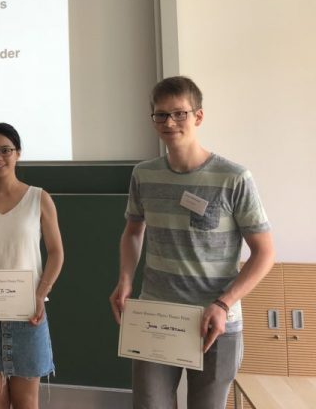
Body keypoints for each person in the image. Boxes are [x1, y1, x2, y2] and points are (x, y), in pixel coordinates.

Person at [109, 76, 275, 409]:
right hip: (156, 315)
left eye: (179, 113)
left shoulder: (233, 177)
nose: (169, 122)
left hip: (215, 322)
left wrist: (224, 304)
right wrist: (125, 279)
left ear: (198, 117)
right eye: (160, 115)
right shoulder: (144, 174)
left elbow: (264, 253)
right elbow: (133, 231)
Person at [0, 123, 64, 409]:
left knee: (26, 402)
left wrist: (40, 294)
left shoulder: (39, 198)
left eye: (5, 150)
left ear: (18, 153)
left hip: (28, 312)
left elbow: (56, 253)